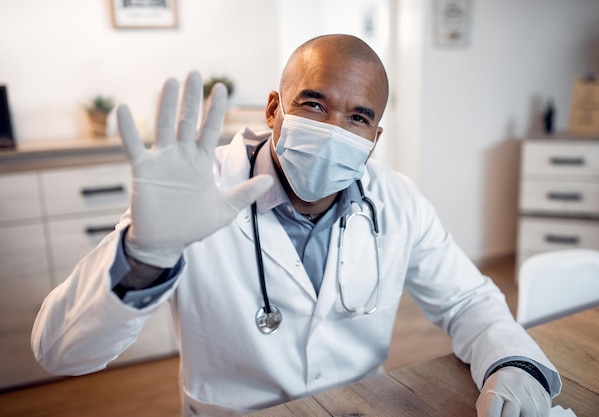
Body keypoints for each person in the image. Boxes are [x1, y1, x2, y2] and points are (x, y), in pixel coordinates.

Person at [32, 34, 561, 417]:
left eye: (357, 117)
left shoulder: (397, 201)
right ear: (273, 109)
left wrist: (511, 363)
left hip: (359, 409)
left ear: (374, 137)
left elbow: (467, 301)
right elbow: (61, 353)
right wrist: (147, 253)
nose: (334, 129)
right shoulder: (197, 192)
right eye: (314, 104)